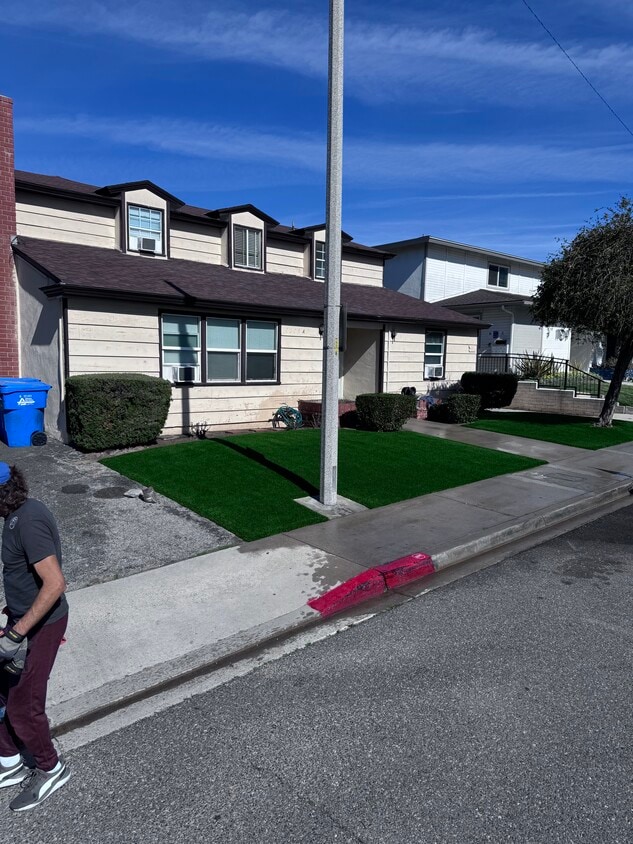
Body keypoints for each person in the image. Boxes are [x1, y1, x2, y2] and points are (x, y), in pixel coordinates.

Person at [0, 461, 70, 811]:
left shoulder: (27, 522)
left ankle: (51, 768)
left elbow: (55, 584)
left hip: (41, 626)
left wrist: (15, 634)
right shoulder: (17, 515)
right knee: (2, 689)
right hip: (23, 619)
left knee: (24, 705)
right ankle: (10, 761)